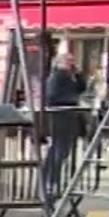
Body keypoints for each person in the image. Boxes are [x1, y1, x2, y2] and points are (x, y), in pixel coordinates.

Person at [45, 52, 88, 199]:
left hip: (70, 116)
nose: (71, 63)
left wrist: (79, 74)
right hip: (60, 116)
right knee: (59, 149)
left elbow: (82, 88)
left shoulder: (71, 76)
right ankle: (50, 180)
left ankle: (52, 179)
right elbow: (53, 95)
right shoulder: (57, 76)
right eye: (68, 61)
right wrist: (72, 99)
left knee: (64, 149)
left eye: (72, 60)